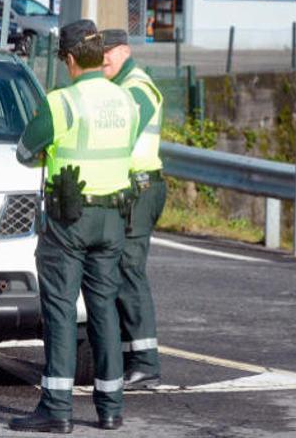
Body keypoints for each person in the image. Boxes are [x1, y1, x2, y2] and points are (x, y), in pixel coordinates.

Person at [9, 20, 154, 434]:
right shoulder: (129, 101)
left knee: (60, 310)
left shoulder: (62, 102)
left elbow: (24, 151)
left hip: (69, 219)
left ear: (70, 59)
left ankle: (57, 408)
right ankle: (110, 408)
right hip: (113, 218)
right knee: (103, 309)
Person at [101, 29, 167, 389]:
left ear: (125, 51)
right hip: (127, 188)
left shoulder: (137, 88)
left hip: (140, 188)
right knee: (117, 270)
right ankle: (131, 358)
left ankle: (145, 362)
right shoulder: (118, 88)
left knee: (129, 269)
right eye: (100, 53)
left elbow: (121, 135)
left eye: (109, 52)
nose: (103, 59)